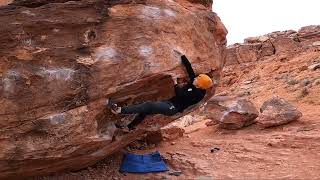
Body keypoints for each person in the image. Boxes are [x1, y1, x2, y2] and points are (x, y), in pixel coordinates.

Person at [107, 54, 213, 130]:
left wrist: (175, 83)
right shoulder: (197, 84)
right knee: (146, 110)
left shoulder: (197, 95)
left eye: (197, 80)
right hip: (169, 103)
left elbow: (180, 95)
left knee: (149, 105)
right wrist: (182, 56)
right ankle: (130, 126)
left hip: (172, 108)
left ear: (199, 85)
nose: (194, 79)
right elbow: (190, 70)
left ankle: (119, 110)